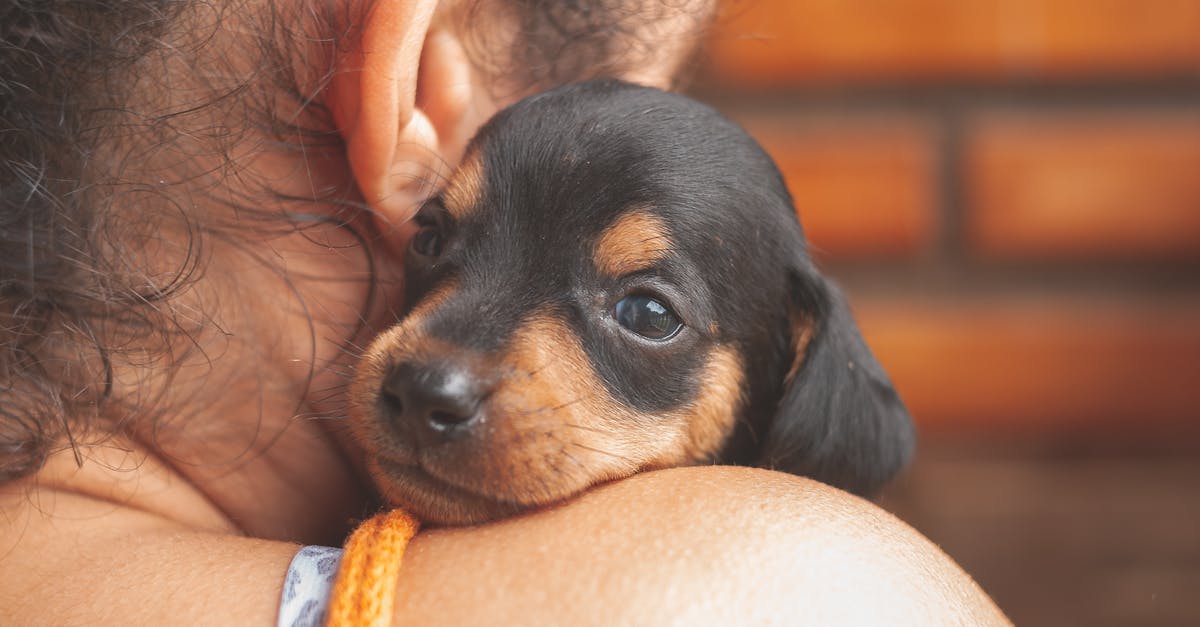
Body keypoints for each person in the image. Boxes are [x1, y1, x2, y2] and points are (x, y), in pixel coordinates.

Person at [0, 0, 1008, 623]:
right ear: (418, 90)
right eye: (442, 242)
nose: (447, 368)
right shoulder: (789, 594)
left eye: (646, 312)